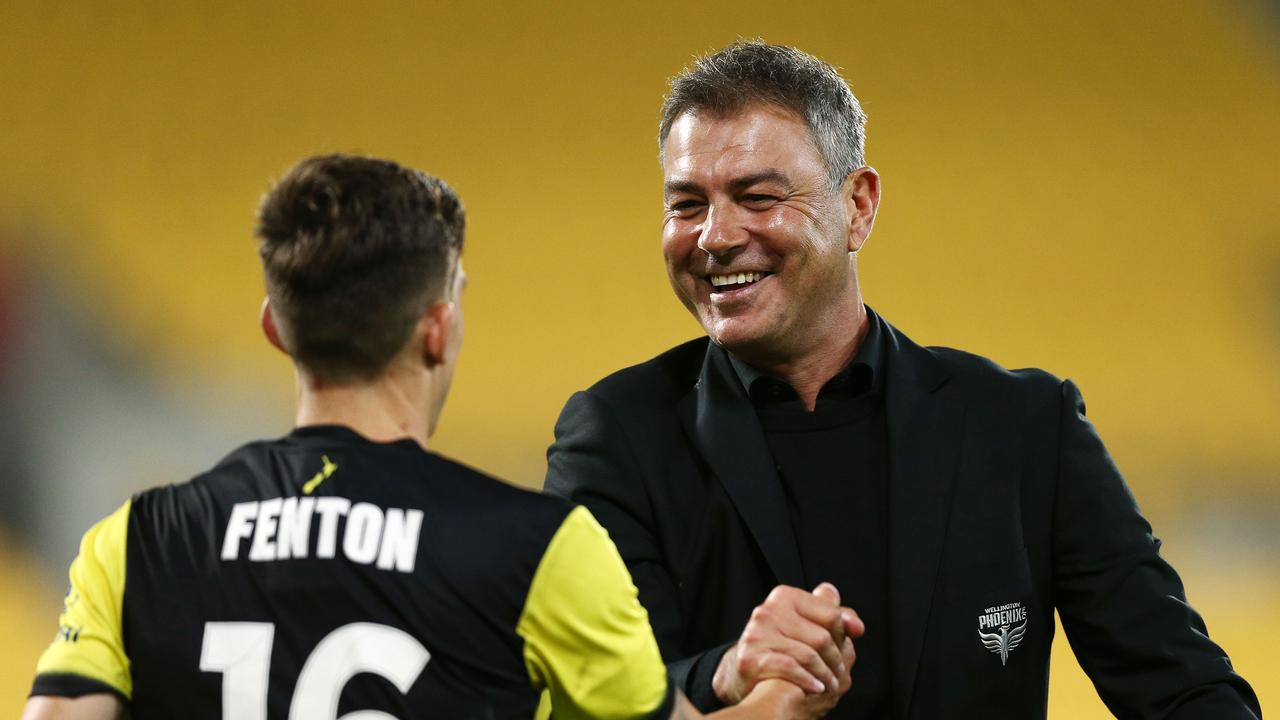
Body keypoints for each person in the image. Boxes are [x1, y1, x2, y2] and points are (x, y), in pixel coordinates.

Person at [545, 41, 1261, 719]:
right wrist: (725, 673)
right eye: (686, 204)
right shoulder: (614, 437)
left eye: (757, 197)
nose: (715, 235)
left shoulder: (1025, 428)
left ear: (857, 205)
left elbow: (1185, 693)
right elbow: (594, 695)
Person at [23, 154, 857, 720]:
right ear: (438, 328)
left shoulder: (135, 545)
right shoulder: (540, 548)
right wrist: (779, 691)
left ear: (277, 328)